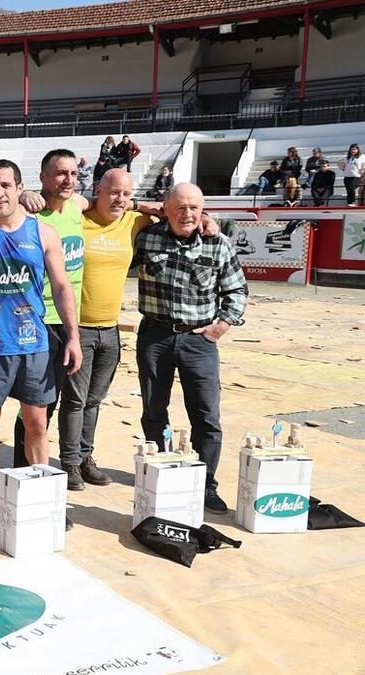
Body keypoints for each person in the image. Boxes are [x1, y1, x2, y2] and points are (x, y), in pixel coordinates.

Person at [0, 159, 81, 511]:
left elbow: (61, 286)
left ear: (19, 188)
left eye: (5, 185)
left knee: (37, 422)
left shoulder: (43, 232)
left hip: (34, 342)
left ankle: (41, 486)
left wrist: (73, 336)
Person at [133, 183, 247, 513]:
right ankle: (161, 469)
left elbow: (237, 290)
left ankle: (206, 484)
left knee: (206, 415)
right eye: (180, 207)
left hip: (199, 341)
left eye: (195, 208)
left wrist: (223, 324)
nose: (188, 214)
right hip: (155, 336)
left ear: (203, 210)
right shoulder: (147, 238)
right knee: (154, 409)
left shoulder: (218, 244)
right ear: (165, 208)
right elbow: (116, 208)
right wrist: (146, 207)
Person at [60, 169, 153, 492]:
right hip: (79, 328)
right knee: (74, 399)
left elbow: (168, 208)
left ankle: (86, 458)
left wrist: (141, 205)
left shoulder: (133, 221)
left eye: (126, 194)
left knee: (95, 400)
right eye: (114, 192)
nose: (120, 199)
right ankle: (69, 462)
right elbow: (61, 202)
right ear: (99, 189)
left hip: (111, 330)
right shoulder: (77, 219)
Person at [11, 151, 86, 496]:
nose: (67, 180)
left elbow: (119, 202)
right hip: (37, 322)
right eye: (59, 174)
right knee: (34, 408)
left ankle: (51, 467)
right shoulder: (28, 213)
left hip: (67, 322)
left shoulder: (78, 207)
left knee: (52, 404)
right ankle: (21, 477)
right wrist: (22, 197)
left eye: (72, 173)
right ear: (42, 177)